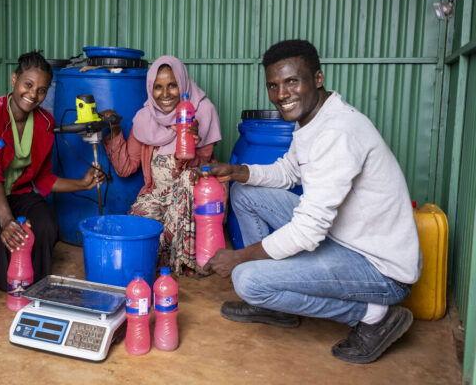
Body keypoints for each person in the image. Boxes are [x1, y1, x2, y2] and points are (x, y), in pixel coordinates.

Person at [201, 39, 421, 364]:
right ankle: (274, 303)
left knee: (246, 279)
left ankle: (373, 314)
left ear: (318, 78)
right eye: (273, 85)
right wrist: (236, 171)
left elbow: (308, 230)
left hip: (380, 269)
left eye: (292, 81)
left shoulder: (337, 132)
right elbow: (288, 172)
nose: (281, 95)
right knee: (244, 192)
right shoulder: (311, 121)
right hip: (343, 237)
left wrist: (240, 257)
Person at [0, 51, 105, 291]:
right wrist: (6, 221)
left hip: (17, 195)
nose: (33, 95)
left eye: (42, 90)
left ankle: (35, 283)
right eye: (28, 85)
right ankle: (10, 285)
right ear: (14, 80)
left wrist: (82, 184)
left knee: (46, 226)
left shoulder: (45, 122)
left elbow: (43, 179)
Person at [100, 55, 222, 275]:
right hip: (157, 196)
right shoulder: (144, 119)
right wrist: (115, 131)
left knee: (187, 180)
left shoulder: (203, 112)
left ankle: (184, 260)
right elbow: (126, 168)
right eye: (158, 87)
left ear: (183, 84)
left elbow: (203, 172)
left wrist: (191, 145)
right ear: (150, 88)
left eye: (172, 85)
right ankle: (164, 256)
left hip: (191, 199)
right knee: (135, 232)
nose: (165, 94)